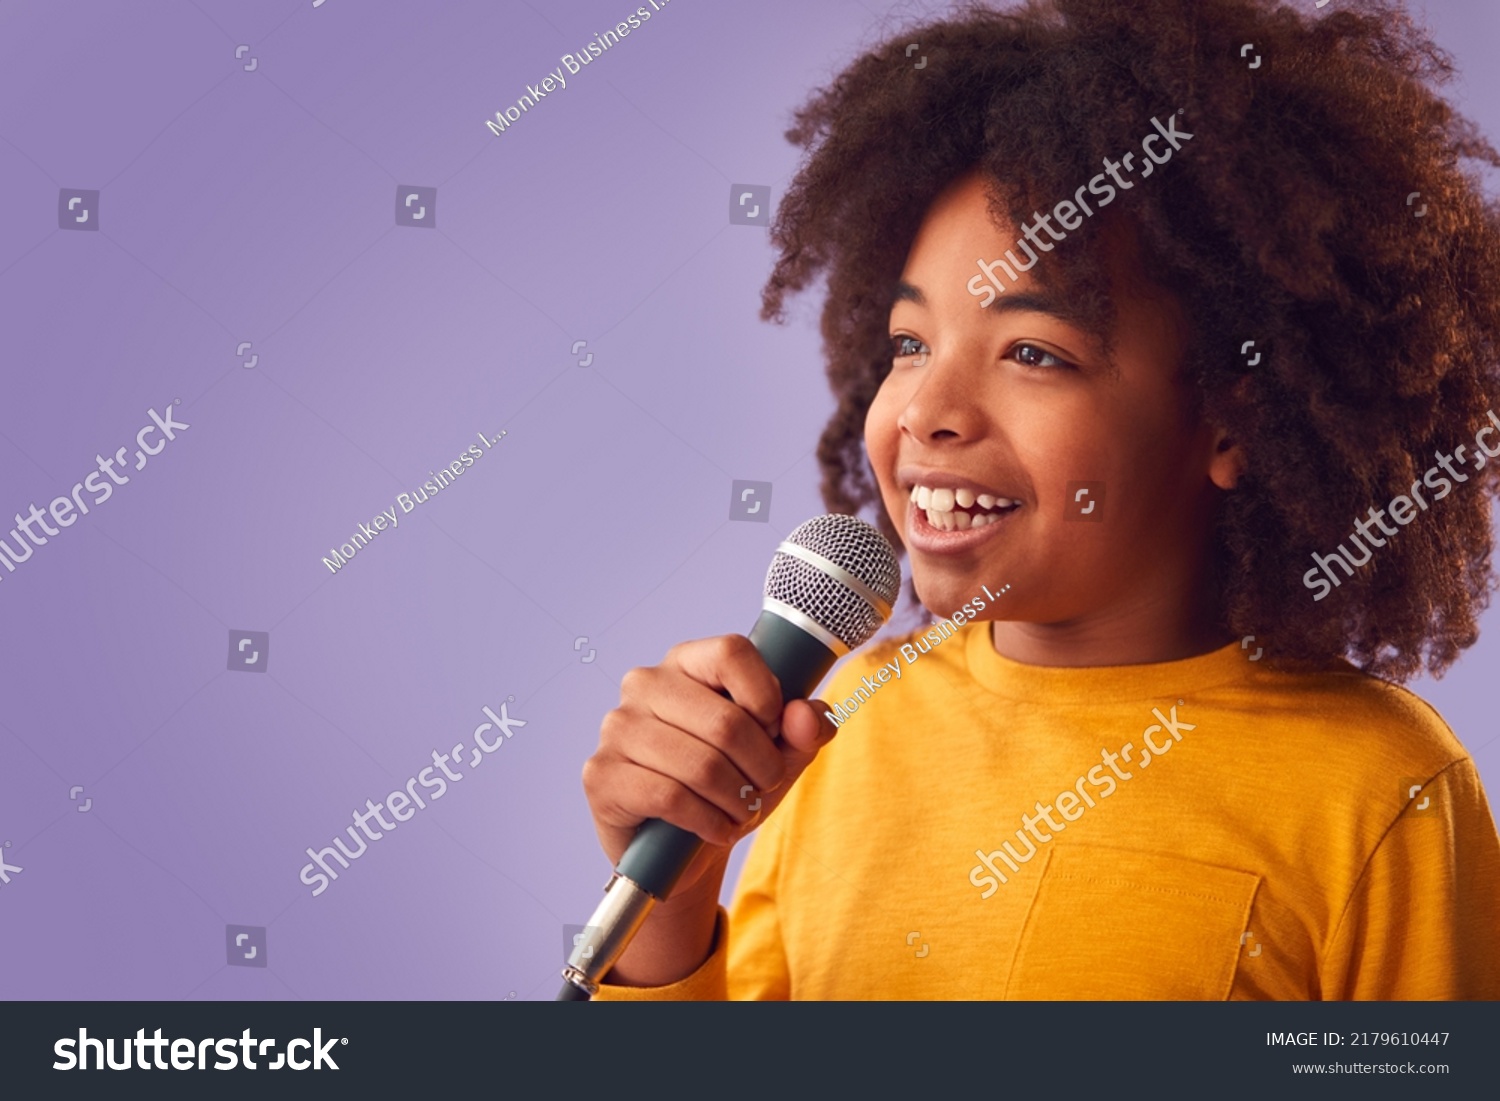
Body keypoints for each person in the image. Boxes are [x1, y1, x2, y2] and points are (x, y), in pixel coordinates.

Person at [580, 0, 1500, 999]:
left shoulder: (1377, 789)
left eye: (1032, 353)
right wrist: (669, 916)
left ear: (1237, 420)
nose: (927, 409)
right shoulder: (841, 722)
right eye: (908, 344)